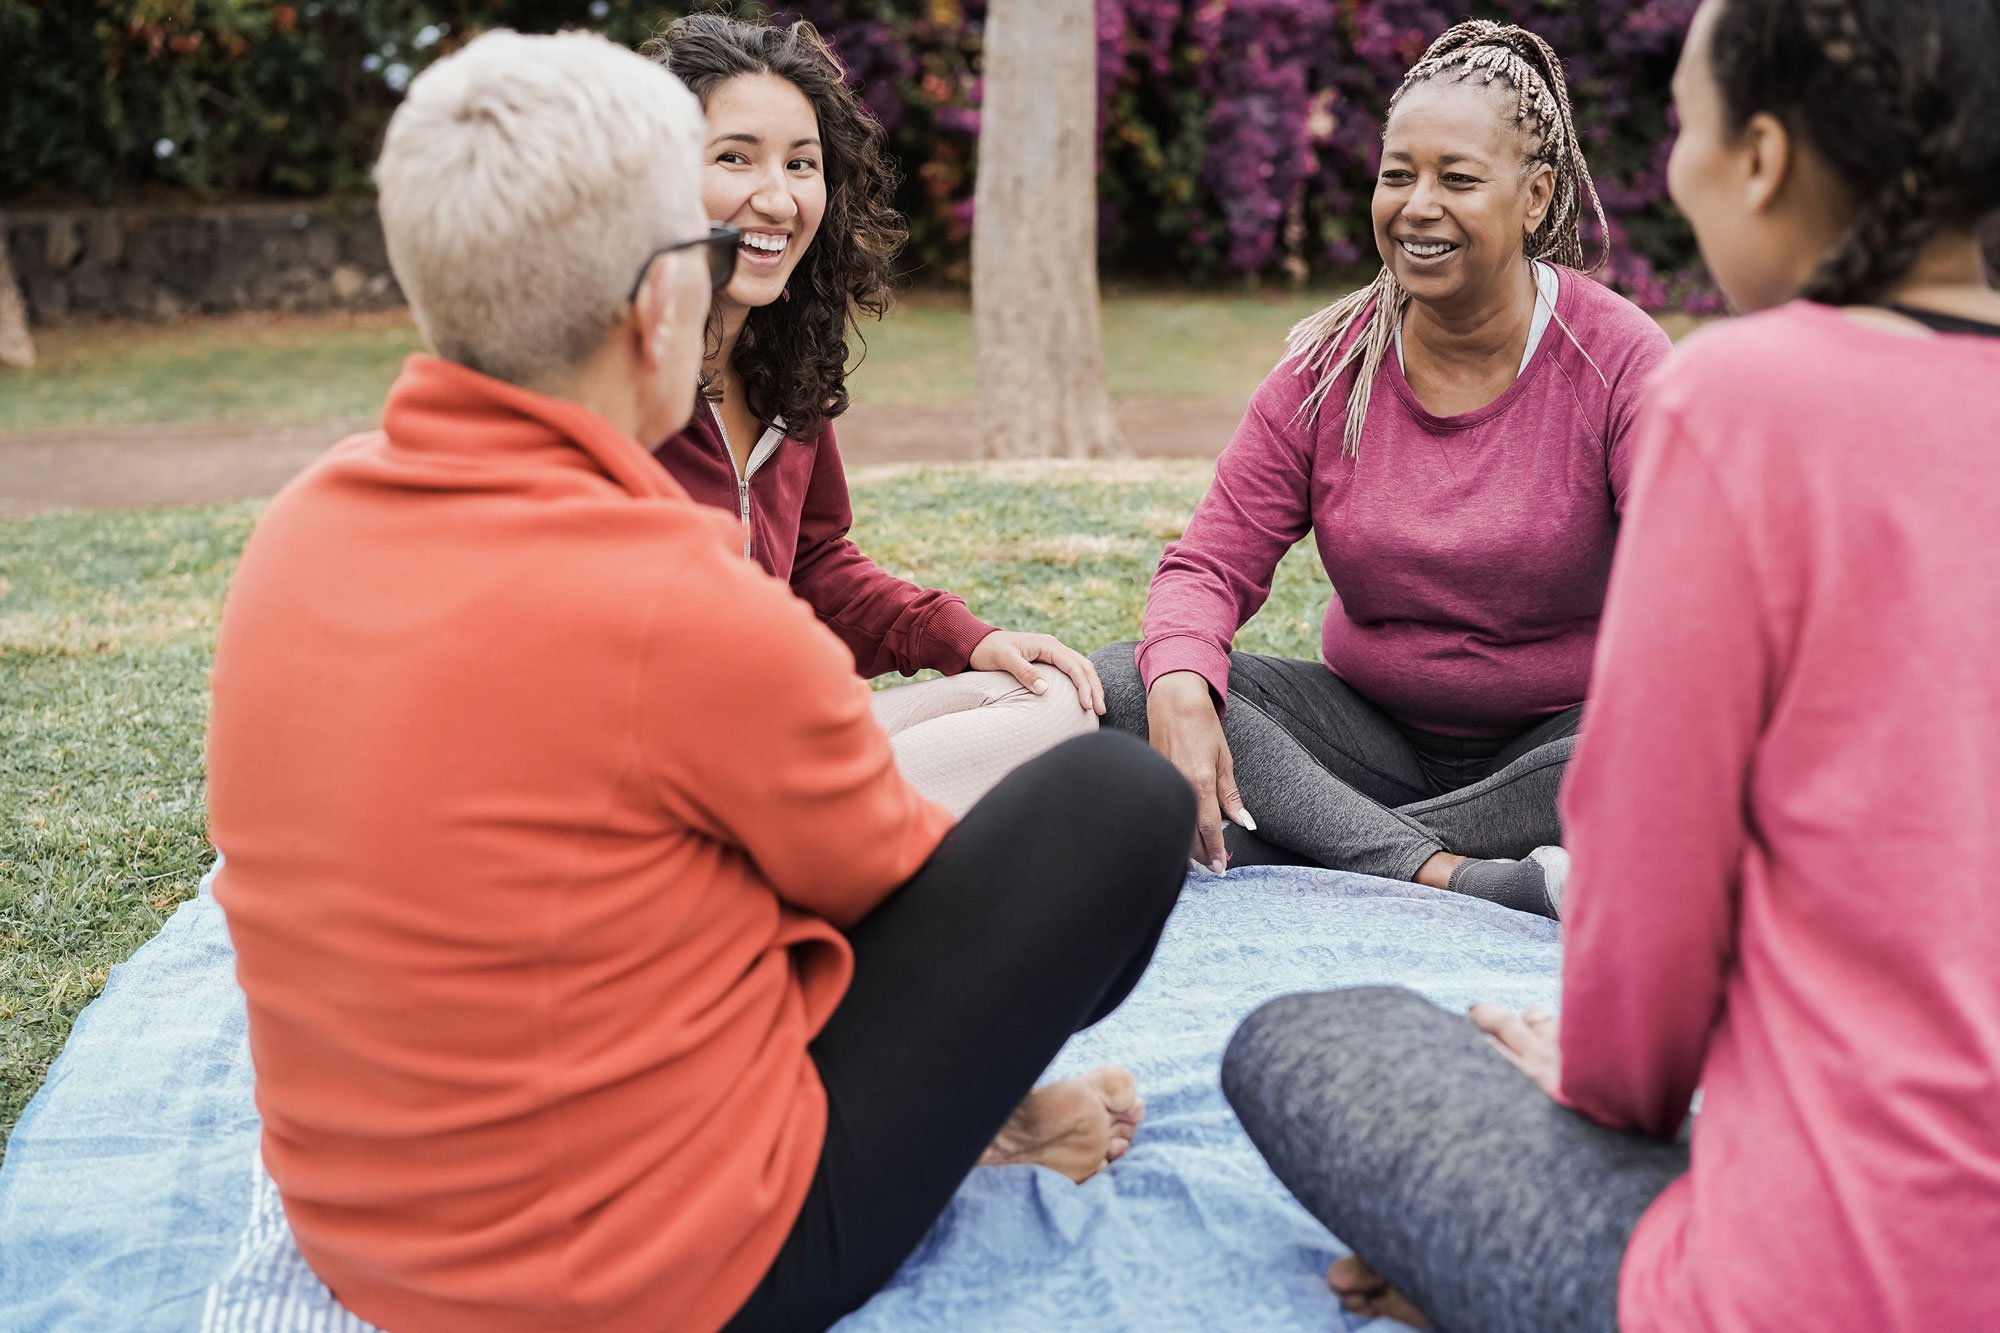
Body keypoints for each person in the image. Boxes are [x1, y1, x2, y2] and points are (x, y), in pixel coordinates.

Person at [206, 31, 1196, 1333]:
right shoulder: (681, 595)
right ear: (662, 302)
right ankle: (985, 1124)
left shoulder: (298, 527)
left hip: (363, 1236)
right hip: (654, 1278)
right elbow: (888, 896)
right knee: (1117, 802)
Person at [1222, 0, 2000, 1328]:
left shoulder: (1733, 398)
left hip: (1799, 1275)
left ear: (1760, 159)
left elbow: (1648, 873)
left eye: (1686, 132)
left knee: (1298, 1041)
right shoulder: (1337, 362)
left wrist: (1585, 1103)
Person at [1093, 22, 1671, 917]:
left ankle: (1314, 837)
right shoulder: (1332, 366)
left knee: (1658, 746)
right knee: (1134, 680)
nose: (1417, 204)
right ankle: (1461, 875)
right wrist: (1176, 680)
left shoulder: (1618, 360)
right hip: (1367, 733)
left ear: (1535, 196)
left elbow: (1691, 586)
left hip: (1558, 746)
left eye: (1458, 178)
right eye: (1398, 174)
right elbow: (1208, 565)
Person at [644, 14, 1101, 816]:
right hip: (651, 769)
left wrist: (966, 638)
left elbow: (817, 565)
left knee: (1048, 703)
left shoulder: (787, 372)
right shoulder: (614, 380)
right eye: (733, 158)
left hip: (778, 748)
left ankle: (814, 841)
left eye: (801, 164)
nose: (776, 197)